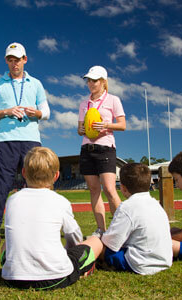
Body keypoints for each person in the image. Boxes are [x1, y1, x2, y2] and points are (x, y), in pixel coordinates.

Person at [2, 147, 102, 290]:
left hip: (13, 279)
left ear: (24, 173)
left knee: (6, 244)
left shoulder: (12, 200)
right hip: (55, 278)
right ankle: (86, 267)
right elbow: (74, 235)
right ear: (56, 176)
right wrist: (69, 251)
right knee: (96, 241)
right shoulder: (60, 201)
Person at [0, 42, 50, 237]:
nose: (14, 64)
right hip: (4, 141)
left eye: (18, 60)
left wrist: (35, 112)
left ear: (25, 60)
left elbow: (46, 112)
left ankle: (39, 228)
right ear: (6, 61)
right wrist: (5, 112)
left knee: (37, 187)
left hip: (31, 142)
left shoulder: (36, 84)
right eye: (10, 60)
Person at [77, 65, 126, 237]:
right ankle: (101, 229)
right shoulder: (84, 104)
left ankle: (121, 230)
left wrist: (106, 125)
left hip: (105, 148)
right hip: (86, 148)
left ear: (104, 82)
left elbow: (122, 125)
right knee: (93, 190)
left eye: (94, 80)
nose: (91, 83)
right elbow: (79, 129)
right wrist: (83, 130)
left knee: (110, 190)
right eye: (89, 80)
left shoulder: (113, 100)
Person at [98, 163, 172, 275]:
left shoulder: (127, 207)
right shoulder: (156, 205)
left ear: (123, 188)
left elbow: (110, 244)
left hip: (141, 263)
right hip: (164, 259)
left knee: (99, 245)